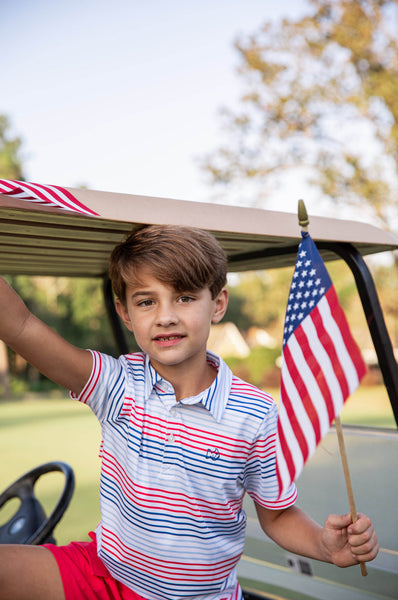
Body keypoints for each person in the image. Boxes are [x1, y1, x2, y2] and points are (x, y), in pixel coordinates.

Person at [0, 225, 378, 600]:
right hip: (104, 574)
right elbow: (19, 325)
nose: (165, 316)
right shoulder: (116, 384)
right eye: (146, 301)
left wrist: (325, 546)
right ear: (125, 313)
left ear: (218, 304)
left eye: (183, 297)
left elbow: (277, 515)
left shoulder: (255, 413)